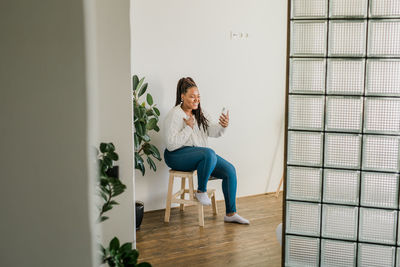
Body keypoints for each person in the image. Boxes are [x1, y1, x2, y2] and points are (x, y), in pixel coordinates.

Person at [163, 77, 250, 225]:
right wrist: (188, 128)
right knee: (209, 153)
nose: (196, 100)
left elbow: (214, 131)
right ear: (182, 96)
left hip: (199, 155)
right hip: (175, 155)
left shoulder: (200, 113)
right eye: (192, 96)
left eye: (198, 96)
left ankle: (231, 213)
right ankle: (201, 191)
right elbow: (171, 144)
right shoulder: (175, 114)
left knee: (230, 170)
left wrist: (223, 125)